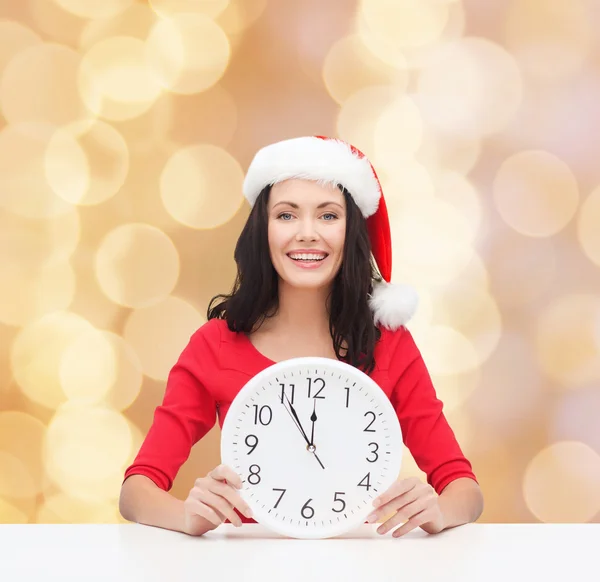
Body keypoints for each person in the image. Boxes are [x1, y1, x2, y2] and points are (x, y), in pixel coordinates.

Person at [119, 135, 484, 538]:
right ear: (263, 230)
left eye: (328, 216)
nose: (307, 233)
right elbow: (137, 490)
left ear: (352, 231)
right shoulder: (214, 345)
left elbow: (463, 488)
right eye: (287, 215)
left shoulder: (390, 344)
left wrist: (438, 509)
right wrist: (186, 516)